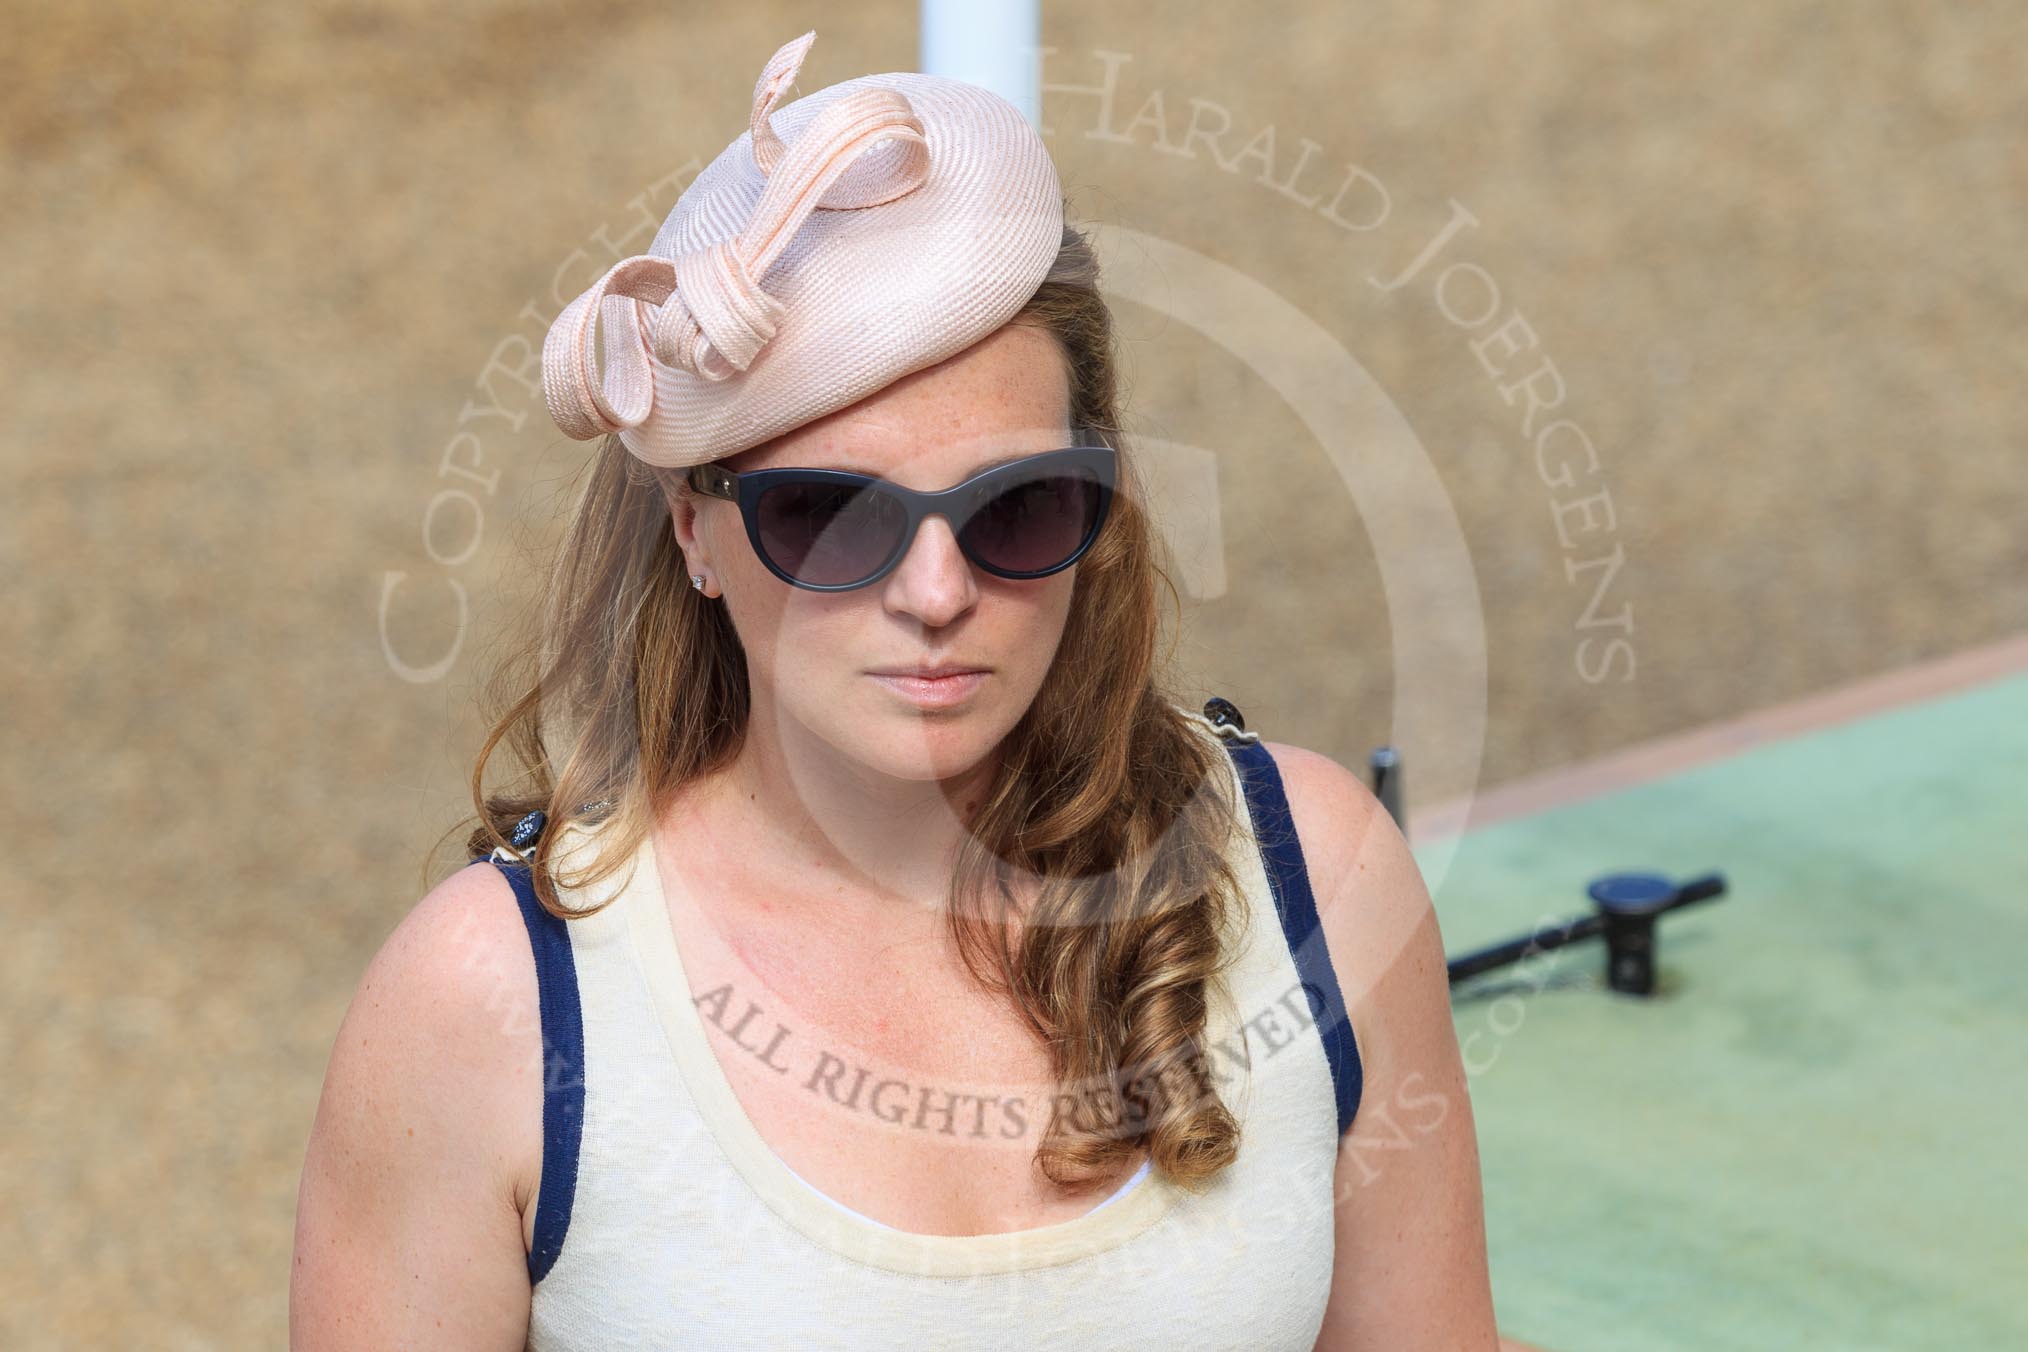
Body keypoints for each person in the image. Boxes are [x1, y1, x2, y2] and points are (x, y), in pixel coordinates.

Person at [291, 30, 1498, 1351]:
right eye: (829, 517)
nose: (934, 591)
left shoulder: (1316, 876)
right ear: (694, 532)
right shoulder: (489, 1001)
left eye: (1021, 507)